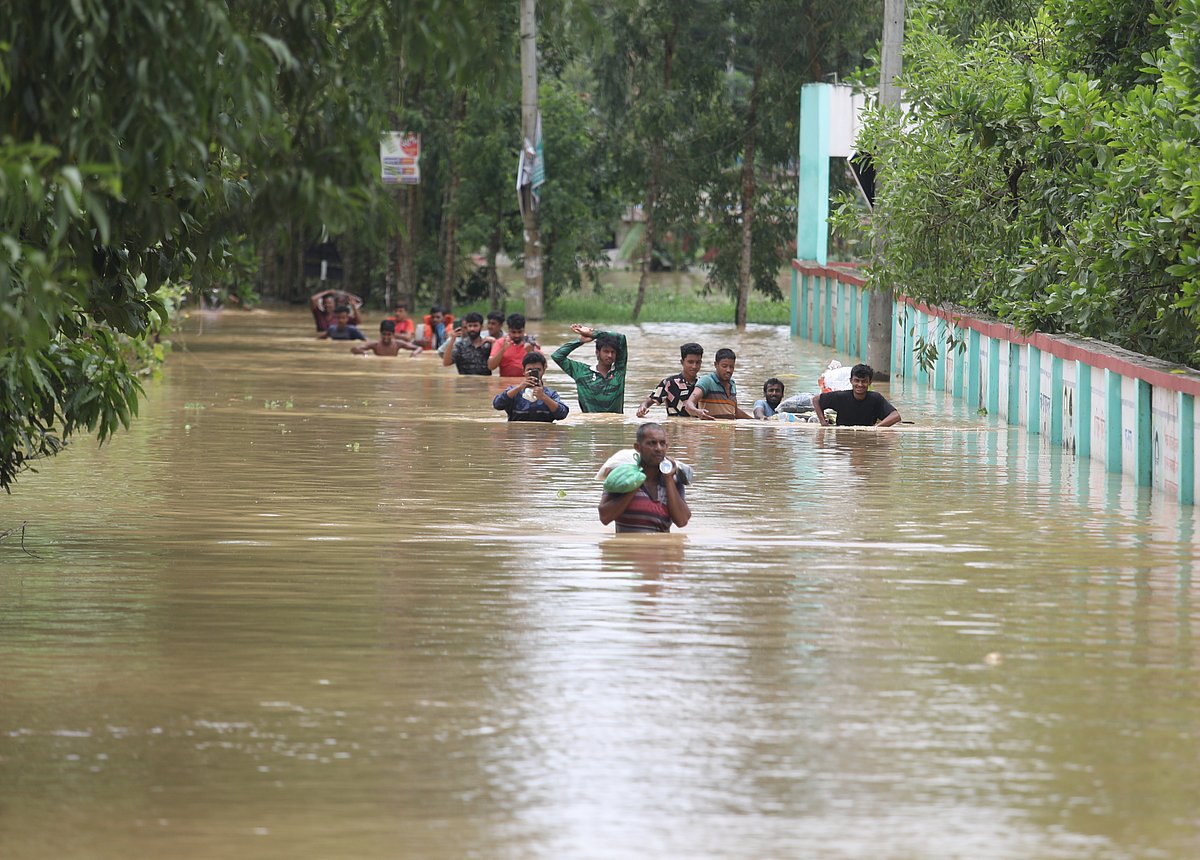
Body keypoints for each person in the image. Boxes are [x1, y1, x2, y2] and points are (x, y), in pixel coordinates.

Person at [598, 422, 691, 533]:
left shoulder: (673, 480)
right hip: (628, 544)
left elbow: (682, 521)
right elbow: (605, 517)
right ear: (638, 447)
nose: (658, 448)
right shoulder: (623, 478)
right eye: (652, 443)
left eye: (662, 444)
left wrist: (668, 479)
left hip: (662, 544)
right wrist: (634, 484)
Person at [551, 324, 628, 413]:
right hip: (589, 421)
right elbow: (557, 356)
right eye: (606, 351)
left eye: (613, 352)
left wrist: (593, 333)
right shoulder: (581, 371)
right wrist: (580, 341)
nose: (610, 355)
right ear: (597, 353)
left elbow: (621, 338)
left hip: (615, 421)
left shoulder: (619, 372)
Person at [811, 363, 901, 427]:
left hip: (867, 440)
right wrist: (823, 422)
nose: (860, 385)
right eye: (857, 381)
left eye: (864, 381)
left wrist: (877, 428)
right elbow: (816, 399)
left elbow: (895, 416)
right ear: (851, 381)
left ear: (870, 382)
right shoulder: (841, 397)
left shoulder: (875, 398)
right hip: (843, 441)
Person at [492, 352, 569, 422]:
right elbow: (497, 405)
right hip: (517, 432)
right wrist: (519, 388)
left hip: (543, 432)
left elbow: (562, 414)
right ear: (523, 371)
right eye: (529, 370)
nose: (533, 373)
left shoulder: (550, 394)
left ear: (543, 370)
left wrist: (543, 397)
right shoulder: (514, 392)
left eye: (538, 370)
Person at [637, 342, 704, 418]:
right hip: (674, 424)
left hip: (697, 424)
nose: (694, 366)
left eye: (697, 362)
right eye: (690, 362)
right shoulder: (669, 383)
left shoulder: (703, 384)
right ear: (682, 362)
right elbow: (649, 401)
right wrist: (642, 408)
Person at [683, 348, 753, 419]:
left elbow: (734, 411)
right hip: (710, 425)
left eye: (731, 367)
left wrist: (754, 420)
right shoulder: (706, 381)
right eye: (724, 366)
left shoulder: (732, 384)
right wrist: (697, 412)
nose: (728, 370)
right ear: (716, 365)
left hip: (730, 425)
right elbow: (689, 404)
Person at [488, 313, 541, 377]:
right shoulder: (500, 343)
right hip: (505, 381)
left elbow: (543, 367)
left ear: (524, 330)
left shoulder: (531, 342)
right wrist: (503, 350)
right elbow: (491, 366)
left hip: (527, 381)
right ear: (508, 330)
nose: (517, 335)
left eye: (520, 332)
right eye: (513, 332)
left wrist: (531, 352)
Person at [352, 320, 422, 356]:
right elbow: (354, 349)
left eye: (389, 335)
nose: (386, 337)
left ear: (393, 334)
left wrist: (414, 353)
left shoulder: (398, 344)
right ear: (380, 333)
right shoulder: (375, 344)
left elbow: (419, 348)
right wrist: (364, 353)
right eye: (384, 334)